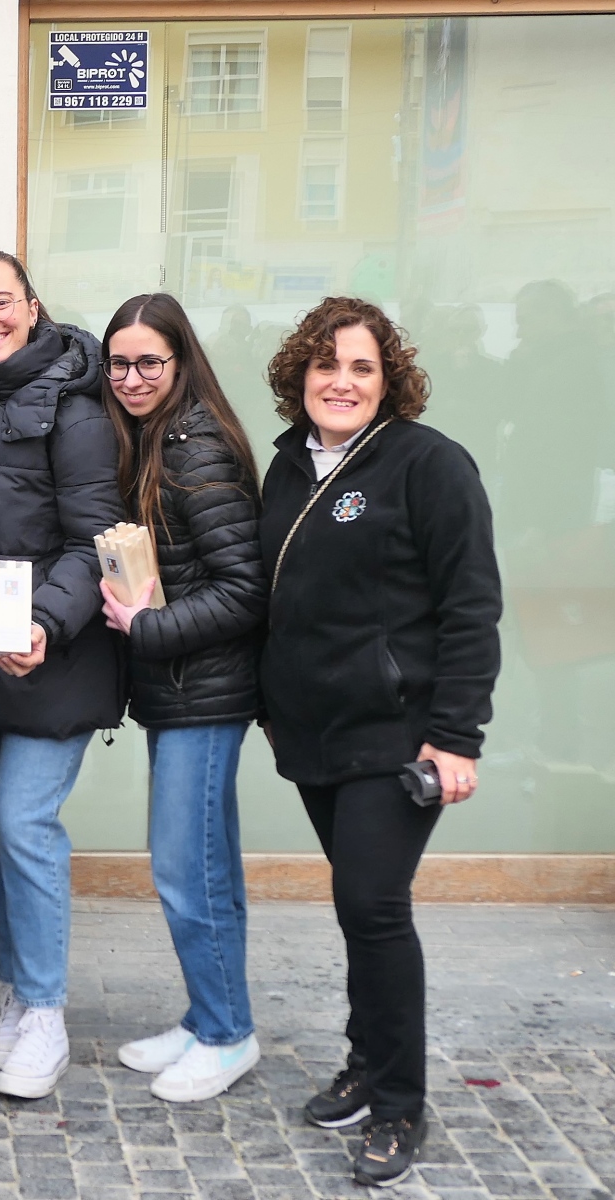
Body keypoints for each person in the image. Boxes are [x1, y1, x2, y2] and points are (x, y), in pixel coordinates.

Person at [259, 296, 502, 1187]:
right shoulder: (289, 465)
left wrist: (456, 737)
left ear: (389, 379)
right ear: (300, 374)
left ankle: (399, 1105)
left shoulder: (428, 464)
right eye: (326, 365)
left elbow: (471, 606)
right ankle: (366, 1066)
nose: (342, 382)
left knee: (374, 905)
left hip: (397, 735)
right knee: (358, 905)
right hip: (313, 732)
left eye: (362, 367)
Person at [0, 248, 127, 1100]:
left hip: (57, 652)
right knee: (1, 832)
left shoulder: (75, 406)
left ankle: (48, 1012)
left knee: (26, 825)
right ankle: (19, 993)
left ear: (31, 305)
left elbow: (96, 539)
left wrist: (48, 621)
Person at [95, 294, 266, 1102]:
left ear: (181, 362)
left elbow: (245, 590)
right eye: (118, 364)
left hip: (205, 694)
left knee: (185, 870)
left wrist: (147, 627)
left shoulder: (197, 449)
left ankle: (228, 1036)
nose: (131, 379)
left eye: (148, 363)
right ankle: (209, 1016)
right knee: (205, 868)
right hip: (186, 692)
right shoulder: (161, 437)